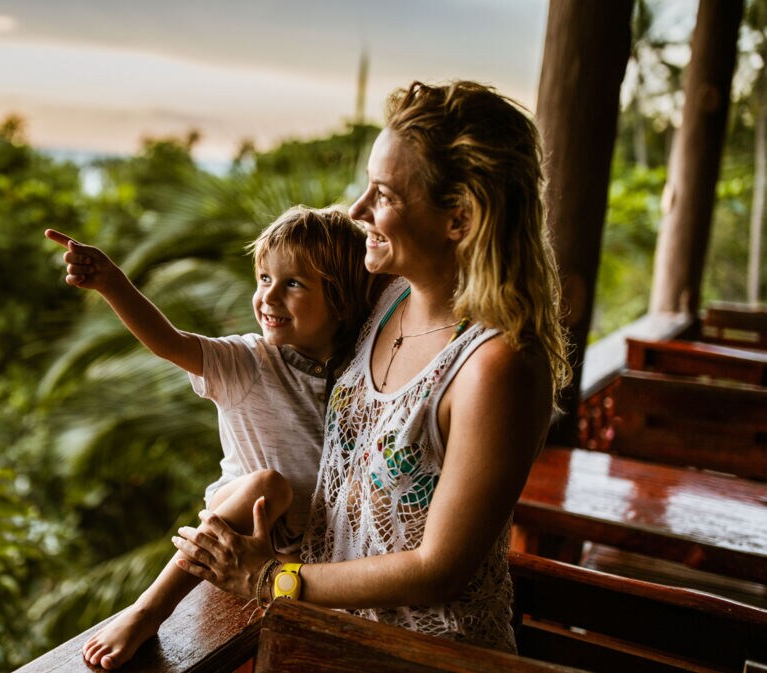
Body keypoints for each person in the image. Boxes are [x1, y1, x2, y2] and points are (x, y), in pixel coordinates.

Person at [171, 80, 572, 652]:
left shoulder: (498, 366)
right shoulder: (383, 297)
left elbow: (439, 569)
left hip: (425, 656)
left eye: (383, 195)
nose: (358, 211)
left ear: (458, 218)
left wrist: (269, 579)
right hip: (327, 630)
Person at [45, 205, 379, 669]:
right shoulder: (247, 362)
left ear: (341, 301)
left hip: (308, 558)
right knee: (268, 485)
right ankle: (148, 609)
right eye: (263, 279)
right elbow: (169, 341)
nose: (269, 297)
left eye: (293, 283)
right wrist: (111, 283)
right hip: (238, 530)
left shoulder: (362, 370)